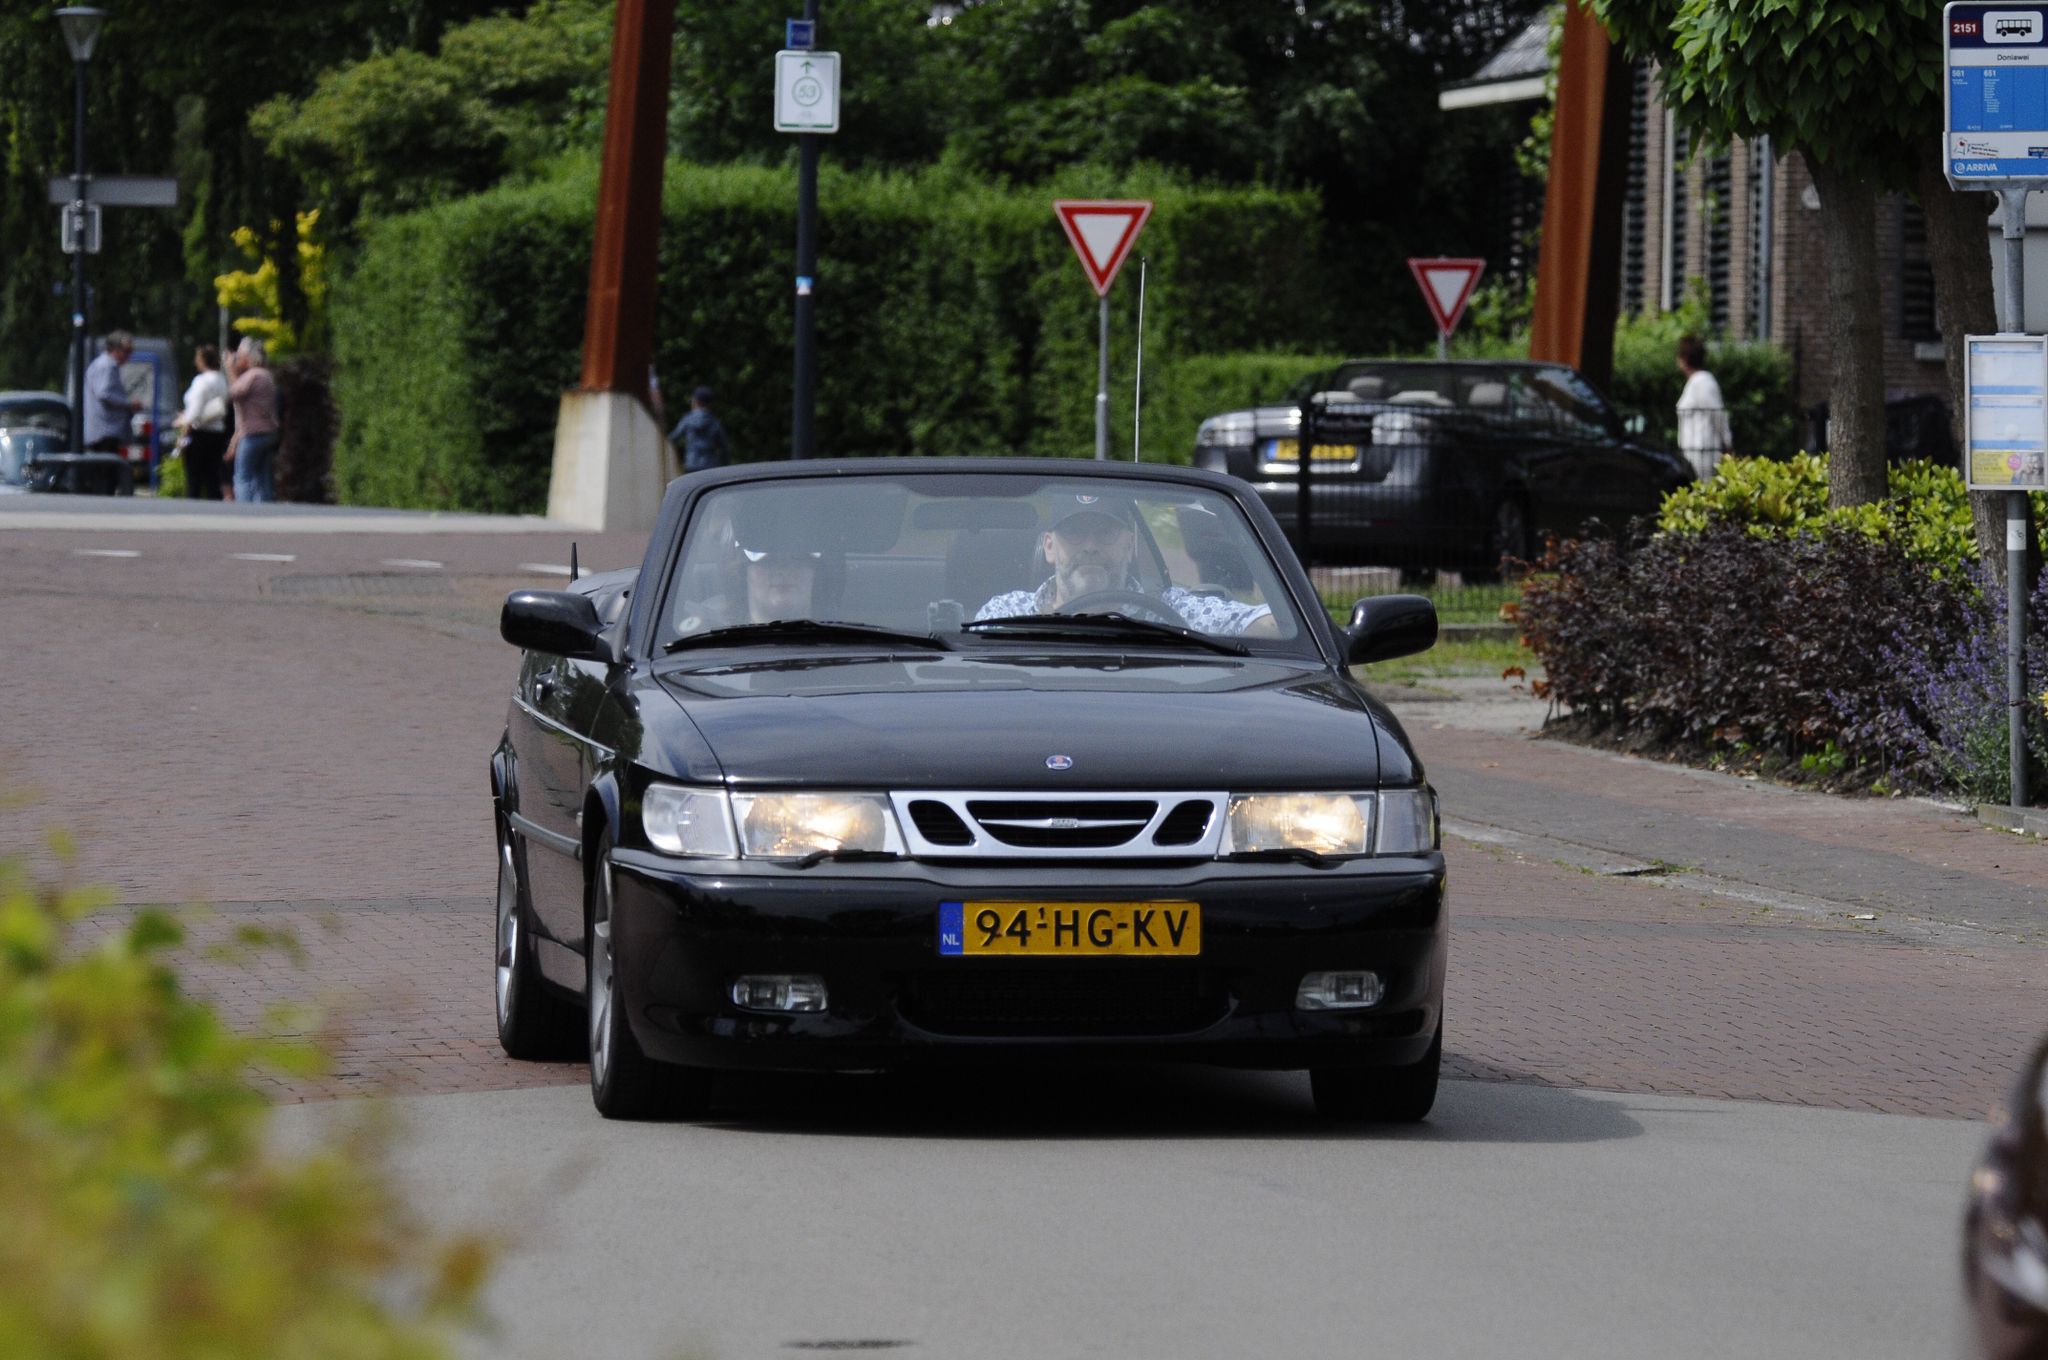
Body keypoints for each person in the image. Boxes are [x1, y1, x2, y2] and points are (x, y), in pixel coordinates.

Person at [976, 500, 1277, 637]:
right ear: (1049, 547)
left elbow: (1272, 625)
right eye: (1075, 533)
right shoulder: (1006, 614)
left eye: (1105, 533)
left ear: (1130, 546)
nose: (1090, 546)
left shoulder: (1171, 612)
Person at [224, 338, 280, 503]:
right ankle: (265, 509)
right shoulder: (267, 375)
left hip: (253, 433)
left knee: (243, 476)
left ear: (249, 357)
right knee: (262, 477)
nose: (237, 359)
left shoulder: (253, 376)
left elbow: (233, 393)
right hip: (269, 432)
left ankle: (244, 510)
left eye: (240, 355)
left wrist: (230, 369)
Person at [173, 345, 230, 500]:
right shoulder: (221, 379)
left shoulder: (201, 381)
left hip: (199, 432)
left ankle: (192, 507)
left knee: (194, 477)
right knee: (213, 476)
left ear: (203, 360)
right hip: (217, 432)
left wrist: (184, 425)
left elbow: (194, 412)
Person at [1675, 334, 1732, 481]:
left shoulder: (1703, 382)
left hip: (1702, 455)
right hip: (1693, 454)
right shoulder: (1695, 382)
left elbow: (1717, 415)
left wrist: (1727, 444)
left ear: (1684, 358)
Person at [82, 330, 141, 454]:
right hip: (105, 433)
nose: (129, 356)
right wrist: (128, 404)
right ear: (115, 349)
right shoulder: (107, 366)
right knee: (106, 464)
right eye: (127, 351)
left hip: (105, 433)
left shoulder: (103, 365)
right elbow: (104, 393)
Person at [669, 386, 730, 473]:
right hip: (711, 465)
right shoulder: (715, 422)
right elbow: (724, 448)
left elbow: (673, 439)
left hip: (692, 464)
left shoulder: (687, 419)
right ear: (710, 404)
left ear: (696, 401)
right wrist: (725, 466)